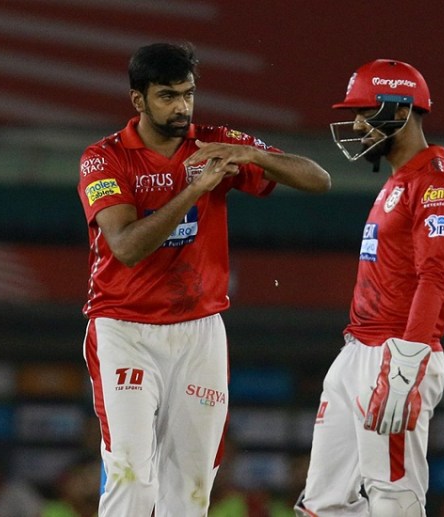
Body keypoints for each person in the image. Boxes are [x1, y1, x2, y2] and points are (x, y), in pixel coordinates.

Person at [76, 41, 330, 517]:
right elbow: (126, 247)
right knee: (133, 479)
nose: (182, 107)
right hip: (125, 329)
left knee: (192, 490)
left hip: (200, 332)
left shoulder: (214, 143)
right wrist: (194, 189)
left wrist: (251, 155)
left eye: (188, 94)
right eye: (167, 96)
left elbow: (318, 179)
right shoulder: (104, 159)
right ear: (138, 100)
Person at [295, 59, 444, 516]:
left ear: (401, 110)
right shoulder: (400, 180)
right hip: (358, 350)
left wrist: (407, 362)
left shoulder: (434, 184)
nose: (356, 125)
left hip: (397, 353)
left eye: (365, 112)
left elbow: (435, 276)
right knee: (322, 505)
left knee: (394, 499)